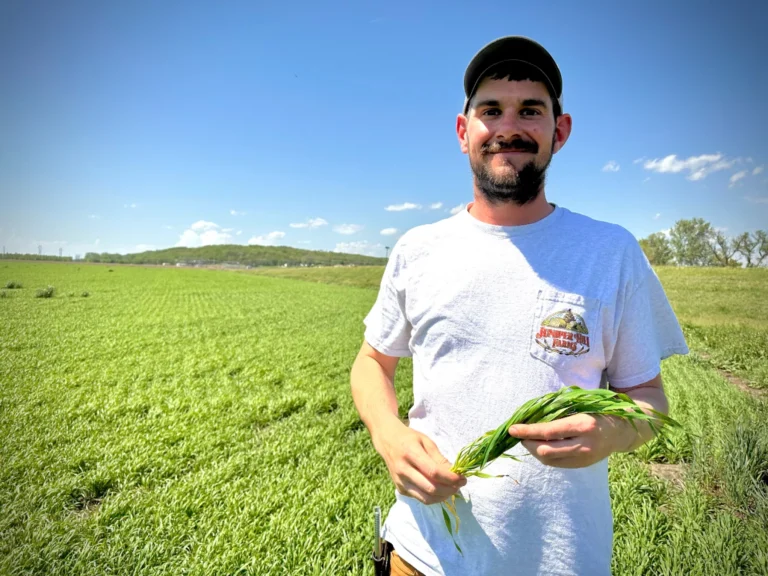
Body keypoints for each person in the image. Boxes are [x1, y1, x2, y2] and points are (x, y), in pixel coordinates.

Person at [350, 36, 689, 576]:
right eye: (491, 110)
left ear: (560, 130)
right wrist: (388, 436)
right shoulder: (419, 248)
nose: (509, 126)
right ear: (465, 133)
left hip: (560, 561)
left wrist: (611, 432)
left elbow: (649, 401)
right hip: (421, 554)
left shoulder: (611, 252)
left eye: (530, 110)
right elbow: (372, 363)